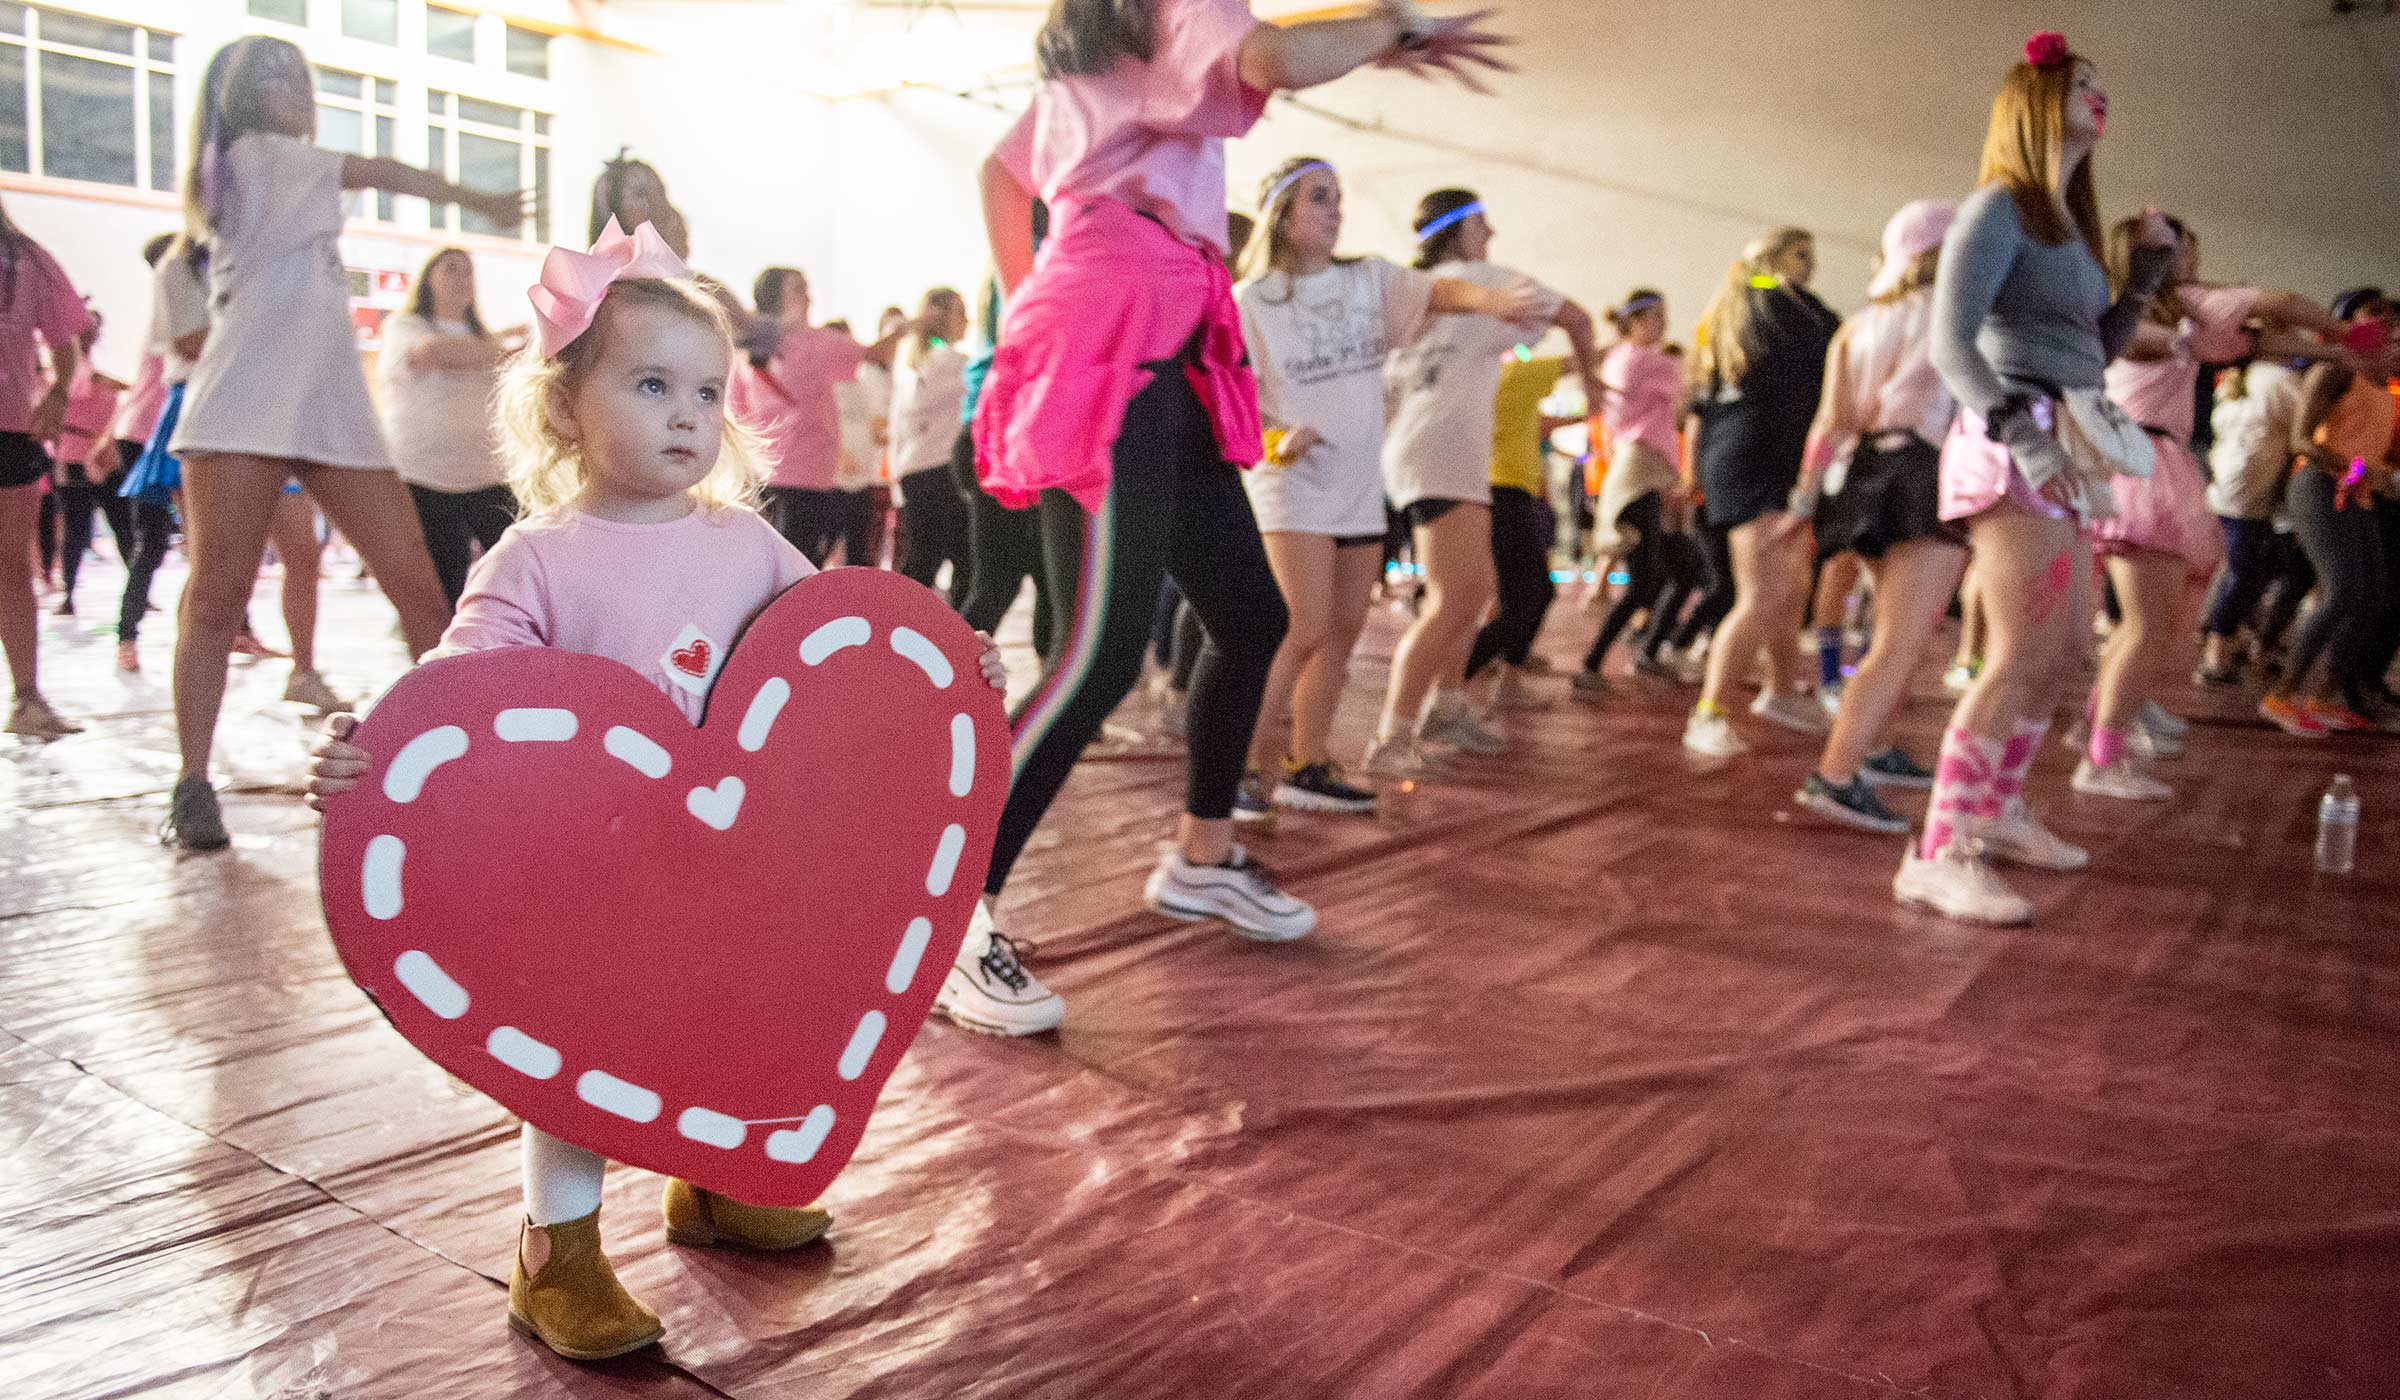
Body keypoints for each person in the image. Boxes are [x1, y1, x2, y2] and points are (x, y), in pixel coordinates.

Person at [308, 220, 1010, 1364]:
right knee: (577, 1048)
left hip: (723, 857)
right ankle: (558, 1252)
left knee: (728, 1008)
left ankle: (721, 1182)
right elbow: (462, 690)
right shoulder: (535, 559)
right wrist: (373, 753)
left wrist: (953, 666)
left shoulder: (746, 544)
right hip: (593, 865)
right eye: (650, 383)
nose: (689, 412)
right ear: (563, 406)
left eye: (706, 389)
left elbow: (837, 643)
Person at [946, 0, 1513, 1035]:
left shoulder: (1104, 48)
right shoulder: (1178, 12)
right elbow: (1280, 57)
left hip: (1157, 331)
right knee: (1097, 654)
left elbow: (1000, 173)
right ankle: (948, 917)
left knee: (1253, 618)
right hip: (1117, 336)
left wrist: (1033, 294)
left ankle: (1203, 857)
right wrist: (1391, 25)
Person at [163, 34, 519, 848]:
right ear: (233, 98)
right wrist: (480, 199)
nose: (292, 81)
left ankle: (457, 764)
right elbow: (386, 173)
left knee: (423, 593)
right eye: (268, 71)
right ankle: (190, 784)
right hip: (242, 401)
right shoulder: (255, 156)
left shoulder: (285, 181)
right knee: (217, 599)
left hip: (330, 407)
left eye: (298, 69)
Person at [1902, 31, 2177, 924]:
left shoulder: (2068, 230)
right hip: (2016, 438)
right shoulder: (1997, 209)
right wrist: (2024, 436)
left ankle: (1998, 812)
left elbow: (2086, 357)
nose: (2101, 97)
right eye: (2082, 84)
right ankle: (1940, 851)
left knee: (2062, 655)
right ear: (2035, 99)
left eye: (2104, 84)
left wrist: (2138, 287)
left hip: (2065, 439)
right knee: (2020, 652)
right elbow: (1951, 342)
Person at [1234, 156, 1544, 814]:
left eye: (1339, 197)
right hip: (1291, 481)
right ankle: (1235, 767)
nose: (1336, 209)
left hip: (1357, 481)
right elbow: (1232, 393)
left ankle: (1305, 762)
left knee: (1344, 629)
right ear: (1282, 214)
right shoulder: (1252, 301)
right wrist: (1273, 439)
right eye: (1320, 198)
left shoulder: (1365, 279)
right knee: (1303, 627)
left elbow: (1437, 293)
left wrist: (1488, 298)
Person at [2076, 217, 2343, 795]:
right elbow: (2277, 307)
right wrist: (2342, 338)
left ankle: (2104, 730)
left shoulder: (2162, 315)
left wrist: (2341, 352)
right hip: (2142, 463)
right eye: (2183, 252)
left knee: (2144, 628)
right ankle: (2102, 757)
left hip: (2145, 460)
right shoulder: (2148, 315)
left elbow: (2256, 339)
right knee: (2146, 629)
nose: (2194, 260)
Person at [1367, 187, 1598, 776]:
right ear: (1463, 229)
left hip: (1418, 454)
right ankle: (1392, 736)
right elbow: (1576, 317)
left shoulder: (1409, 293)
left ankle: (1444, 704)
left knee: (1472, 588)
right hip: (1443, 454)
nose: (1491, 234)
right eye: (1484, 223)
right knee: (1454, 599)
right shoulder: (1483, 277)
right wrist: (1594, 386)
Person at [1788, 200, 1968, 833]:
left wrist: (1804, 502)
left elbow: (1830, 425)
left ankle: (1871, 749)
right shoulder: (1954, 317)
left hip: (1863, 476)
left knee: (1890, 631)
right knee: (1901, 638)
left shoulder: (1858, 325)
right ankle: (1836, 776)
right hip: (1923, 472)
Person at [1679, 226, 1841, 757]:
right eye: (1800, 255)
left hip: (1770, 457)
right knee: (1761, 595)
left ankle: (1781, 690)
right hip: (1754, 459)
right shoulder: (1769, 304)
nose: (1810, 265)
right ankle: (1709, 712)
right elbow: (1829, 348)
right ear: (1771, 260)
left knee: (1791, 586)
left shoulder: (1771, 305)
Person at [2259, 317, 2397, 732]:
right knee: (2343, 590)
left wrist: (2369, 475)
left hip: (2353, 490)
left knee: (2374, 594)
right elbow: (2303, 441)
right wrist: (2360, 469)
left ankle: (2325, 696)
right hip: (2318, 485)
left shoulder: (2386, 390)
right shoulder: (2335, 373)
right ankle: (2281, 695)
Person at [734, 269, 910, 567]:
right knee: (799, 568)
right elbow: (876, 353)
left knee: (772, 567)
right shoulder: (817, 343)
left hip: (761, 475)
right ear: (779, 300)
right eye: (800, 290)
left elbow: (737, 413)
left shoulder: (745, 351)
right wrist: (902, 330)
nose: (809, 297)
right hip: (807, 479)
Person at [381, 246, 524, 606]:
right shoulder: (406, 327)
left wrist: (501, 348)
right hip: (425, 475)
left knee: (515, 564)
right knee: (444, 577)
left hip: (487, 473)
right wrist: (502, 349)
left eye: (467, 271)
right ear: (428, 278)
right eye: (450, 269)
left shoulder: (486, 336)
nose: (461, 278)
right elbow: (431, 354)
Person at [0, 195, 92, 739]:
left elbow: (65, 340)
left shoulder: (26, 259)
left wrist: (58, 392)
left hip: (12, 428)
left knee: (13, 566)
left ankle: (27, 698)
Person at [1575, 289, 1699, 689]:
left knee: (1680, 572)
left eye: (1663, 316)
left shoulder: (1625, 359)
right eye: (1652, 317)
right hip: (1639, 472)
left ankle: (1644, 650)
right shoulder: (1640, 360)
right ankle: (1595, 664)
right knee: (1652, 579)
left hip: (1652, 471)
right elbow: (1691, 382)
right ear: (1632, 322)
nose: (1660, 324)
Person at [2196, 354, 2311, 686]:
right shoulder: (2277, 380)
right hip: (2249, 487)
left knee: (2255, 566)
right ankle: (2217, 647)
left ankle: (2228, 633)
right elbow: (2309, 428)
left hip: (2234, 480)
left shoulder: (2241, 377)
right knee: (2246, 572)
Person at [40, 319, 128, 620]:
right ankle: (69, 594)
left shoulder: (106, 366)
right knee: (76, 529)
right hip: (72, 455)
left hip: (106, 455)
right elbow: (74, 391)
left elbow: (122, 399)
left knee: (123, 524)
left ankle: (137, 591)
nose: (92, 333)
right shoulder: (70, 366)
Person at [891, 287, 972, 601]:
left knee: (941, 559)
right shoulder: (946, 360)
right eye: (961, 311)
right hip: (937, 471)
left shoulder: (914, 365)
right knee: (934, 561)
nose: (967, 319)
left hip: (919, 471)